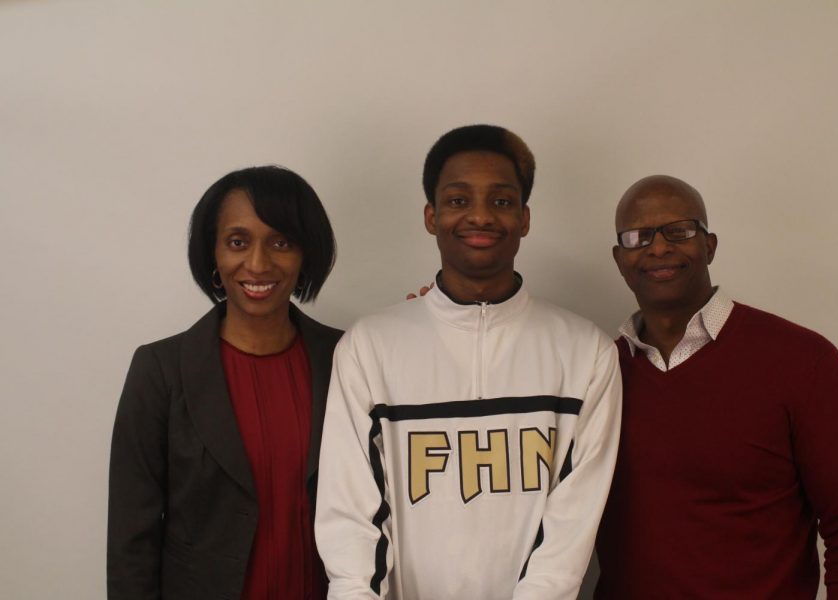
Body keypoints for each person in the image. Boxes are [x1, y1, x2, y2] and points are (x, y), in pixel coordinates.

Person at [315, 125, 622, 599]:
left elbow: (570, 531)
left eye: (500, 201)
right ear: (431, 216)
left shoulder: (587, 353)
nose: (480, 216)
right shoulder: (369, 348)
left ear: (524, 218)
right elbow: (351, 521)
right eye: (459, 201)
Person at [594, 174, 838, 598]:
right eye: (638, 236)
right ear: (618, 257)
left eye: (679, 231)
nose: (658, 248)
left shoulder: (803, 361)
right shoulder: (598, 372)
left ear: (709, 245)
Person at [107, 166, 342, 600]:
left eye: (281, 242)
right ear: (213, 253)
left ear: (306, 252)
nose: (257, 263)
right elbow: (130, 542)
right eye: (238, 242)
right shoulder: (160, 370)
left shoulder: (347, 358)